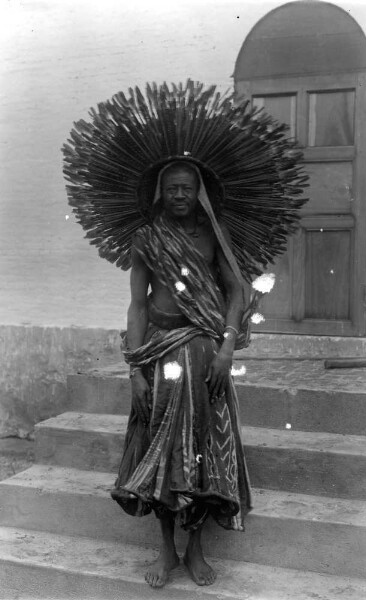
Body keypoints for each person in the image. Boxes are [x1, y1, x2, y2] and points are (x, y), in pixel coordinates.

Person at [111, 159, 252, 588]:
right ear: (160, 192)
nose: (178, 195)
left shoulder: (213, 235)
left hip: (205, 352)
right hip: (158, 353)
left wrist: (227, 345)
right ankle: (166, 548)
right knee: (158, 448)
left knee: (202, 450)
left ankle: (195, 549)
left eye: (185, 188)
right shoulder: (147, 239)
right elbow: (137, 306)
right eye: (170, 188)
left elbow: (237, 293)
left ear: (199, 192)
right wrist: (135, 367)